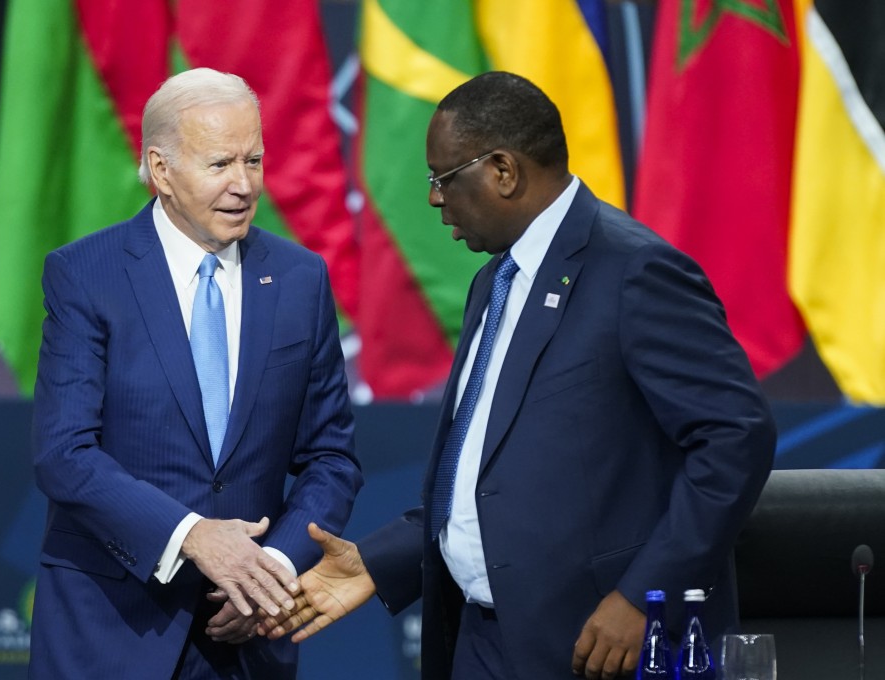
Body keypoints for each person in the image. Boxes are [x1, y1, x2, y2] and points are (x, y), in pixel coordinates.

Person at [260, 71, 776, 680]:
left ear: (503, 170)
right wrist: (378, 563)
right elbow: (486, 473)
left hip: (596, 644)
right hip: (481, 640)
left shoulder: (635, 271)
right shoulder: (494, 282)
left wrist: (644, 596)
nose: (433, 198)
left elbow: (736, 437)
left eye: (443, 178)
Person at [28, 67, 363, 680]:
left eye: (254, 160)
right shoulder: (87, 275)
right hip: (112, 625)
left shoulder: (299, 279)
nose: (243, 185)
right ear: (161, 170)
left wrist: (271, 574)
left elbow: (331, 458)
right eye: (220, 165)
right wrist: (191, 536)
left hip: (246, 637)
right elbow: (63, 453)